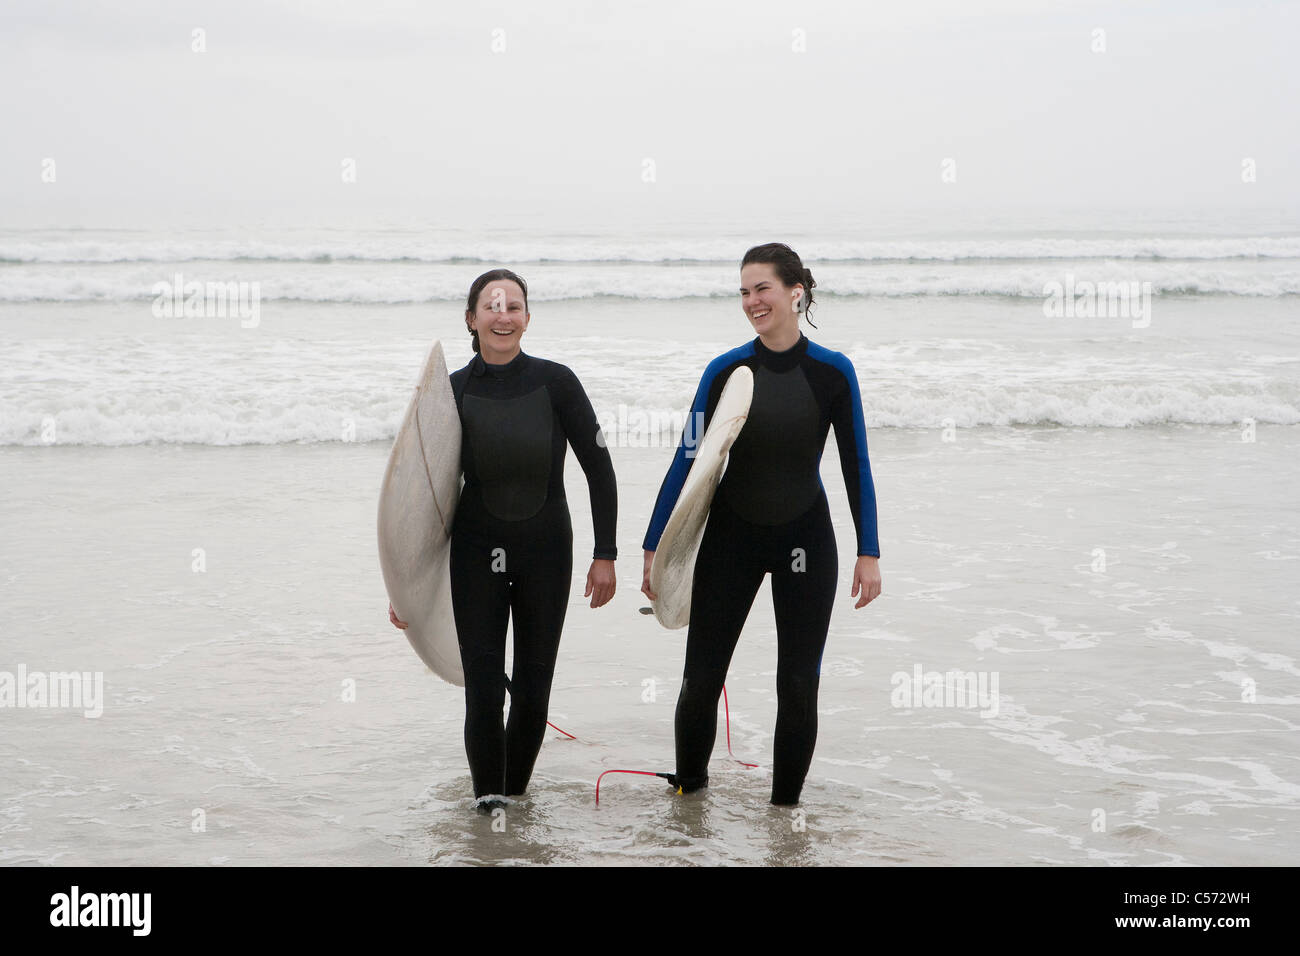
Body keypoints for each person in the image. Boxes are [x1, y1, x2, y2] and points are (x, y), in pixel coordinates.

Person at [640, 242, 881, 806]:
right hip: (732, 538)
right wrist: (655, 545)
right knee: (700, 676)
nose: (751, 301)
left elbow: (856, 463)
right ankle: (688, 797)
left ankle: (785, 817)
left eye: (761, 288)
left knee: (798, 684)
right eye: (743, 291)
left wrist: (868, 549)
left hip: (806, 540)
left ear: (795, 291)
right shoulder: (725, 370)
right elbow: (688, 457)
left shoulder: (833, 372)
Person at [391, 269, 617, 808]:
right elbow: (423, 497)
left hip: (547, 550)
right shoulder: (452, 392)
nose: (503, 315)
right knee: (486, 691)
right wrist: (404, 586)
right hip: (475, 553)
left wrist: (604, 553)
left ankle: (513, 800)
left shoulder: (557, 382)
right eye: (491, 306)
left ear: (527, 318)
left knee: (534, 690)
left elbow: (599, 467)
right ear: (471, 319)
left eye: (513, 306)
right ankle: (487, 803)